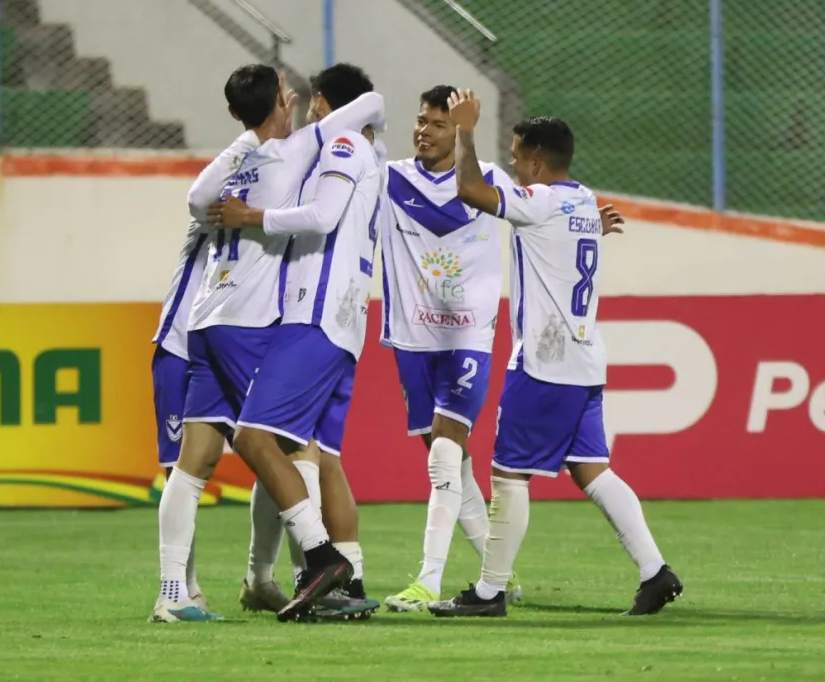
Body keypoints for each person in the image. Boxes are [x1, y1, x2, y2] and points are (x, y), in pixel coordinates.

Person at [428, 90, 683, 618]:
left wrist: (466, 132)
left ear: (538, 162)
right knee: (593, 471)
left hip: (545, 364)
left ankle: (490, 592)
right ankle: (656, 572)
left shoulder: (541, 201)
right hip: (586, 361)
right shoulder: (585, 201)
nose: (516, 166)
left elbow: (472, 189)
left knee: (508, 475)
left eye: (519, 157)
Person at [151, 64, 385, 623]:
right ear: (287, 101)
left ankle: (174, 593)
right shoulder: (298, 151)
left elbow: (195, 197)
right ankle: (322, 565)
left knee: (194, 464)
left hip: (203, 320)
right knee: (289, 446)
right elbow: (371, 103)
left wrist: (251, 132)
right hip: (250, 323)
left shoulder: (236, 165)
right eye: (291, 97)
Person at [380, 85, 520, 612]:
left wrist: (586, 229)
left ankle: (428, 581)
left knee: (443, 454)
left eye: (438, 124)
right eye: (421, 121)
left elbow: (539, 214)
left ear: (457, 130)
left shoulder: (488, 183)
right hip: (412, 342)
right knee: (453, 468)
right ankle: (496, 575)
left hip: (469, 337)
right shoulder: (389, 179)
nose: (423, 131)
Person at [150, 216, 209, 612]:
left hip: (225, 351)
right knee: (179, 471)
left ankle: (266, 577)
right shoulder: (212, 211)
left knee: (274, 452)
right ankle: (179, 590)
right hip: (179, 351)